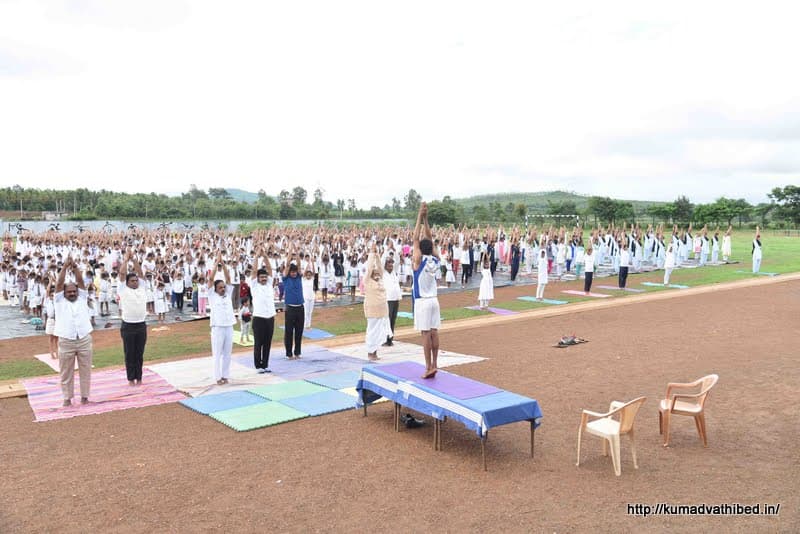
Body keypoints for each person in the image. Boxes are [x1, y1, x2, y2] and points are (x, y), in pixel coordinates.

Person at [53, 256, 93, 407]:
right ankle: (67, 398)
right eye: (69, 292)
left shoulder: (82, 298)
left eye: (73, 291)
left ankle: (85, 397)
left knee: (86, 370)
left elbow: (81, 282)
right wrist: (64, 268)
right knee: (66, 372)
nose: (71, 293)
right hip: (66, 340)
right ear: (64, 293)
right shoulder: (58, 301)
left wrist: (75, 267)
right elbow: (58, 284)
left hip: (84, 338)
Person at [412, 203, 441, 379]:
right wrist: (426, 218)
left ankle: (428, 366)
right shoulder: (436, 259)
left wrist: (419, 216)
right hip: (434, 300)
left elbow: (416, 238)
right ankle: (435, 364)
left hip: (422, 301)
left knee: (425, 334)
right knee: (434, 331)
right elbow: (427, 239)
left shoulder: (419, 259)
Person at [118, 249, 148, 386]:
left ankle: (139, 378)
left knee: (139, 354)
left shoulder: (142, 288)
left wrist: (134, 259)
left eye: (136, 280)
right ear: (127, 282)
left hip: (141, 325)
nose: (135, 282)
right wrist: (125, 260)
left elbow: (140, 273)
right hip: (128, 326)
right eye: (133, 281)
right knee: (129, 354)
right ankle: (131, 379)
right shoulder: (123, 289)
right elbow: (122, 274)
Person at [208, 253, 235, 385]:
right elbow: (211, 278)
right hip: (218, 327)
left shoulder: (228, 293)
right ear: (215, 289)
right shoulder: (212, 296)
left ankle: (225, 375)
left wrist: (223, 264)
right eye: (220, 287)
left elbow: (228, 277)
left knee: (228, 354)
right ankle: (217, 377)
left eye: (224, 287)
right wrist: (216, 264)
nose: (223, 289)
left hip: (229, 326)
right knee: (217, 354)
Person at [249, 247, 276, 373]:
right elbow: (254, 271)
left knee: (267, 343)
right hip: (259, 318)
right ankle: (258, 366)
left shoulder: (269, 283)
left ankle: (265, 364)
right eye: (262, 277)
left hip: (270, 317)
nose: (264, 278)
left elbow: (270, 269)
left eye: (265, 277)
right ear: (258, 278)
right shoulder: (254, 286)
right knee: (258, 343)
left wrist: (265, 256)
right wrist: (256, 257)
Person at [364, 244, 391, 361]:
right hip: (372, 310)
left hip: (382, 310)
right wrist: (371, 253)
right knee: (372, 332)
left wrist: (377, 255)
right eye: (374, 274)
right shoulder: (367, 281)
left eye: (376, 273)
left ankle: (375, 353)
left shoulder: (380, 279)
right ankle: (370, 353)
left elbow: (380, 267)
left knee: (379, 332)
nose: (376, 274)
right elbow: (370, 268)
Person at [283, 244, 305, 359]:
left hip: (300, 307)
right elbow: (287, 265)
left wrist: (296, 251)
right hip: (290, 308)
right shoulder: (286, 279)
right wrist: (290, 251)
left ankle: (297, 352)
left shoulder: (299, 277)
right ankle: (289, 353)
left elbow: (299, 264)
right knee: (289, 332)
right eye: (292, 272)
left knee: (299, 331)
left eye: (295, 272)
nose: (294, 273)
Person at [382, 256, 402, 347]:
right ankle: (385, 338)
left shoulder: (394, 272)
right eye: (388, 263)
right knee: (387, 319)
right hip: (388, 299)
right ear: (385, 265)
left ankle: (390, 339)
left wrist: (393, 249)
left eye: (391, 263)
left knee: (393, 319)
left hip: (396, 299)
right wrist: (386, 251)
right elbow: (382, 261)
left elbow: (397, 260)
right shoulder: (383, 273)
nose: (391, 265)